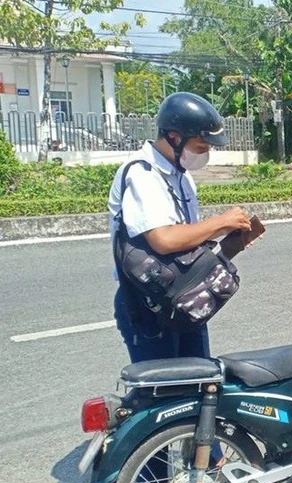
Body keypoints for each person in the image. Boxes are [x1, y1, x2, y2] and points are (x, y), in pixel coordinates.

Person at [108, 92, 252, 363]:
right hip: (148, 304)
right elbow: (163, 240)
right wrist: (221, 222)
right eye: (201, 146)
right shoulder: (142, 174)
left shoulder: (181, 178)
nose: (206, 153)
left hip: (183, 298)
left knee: (198, 385)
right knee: (164, 394)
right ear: (174, 137)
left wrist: (228, 246)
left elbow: (186, 251)